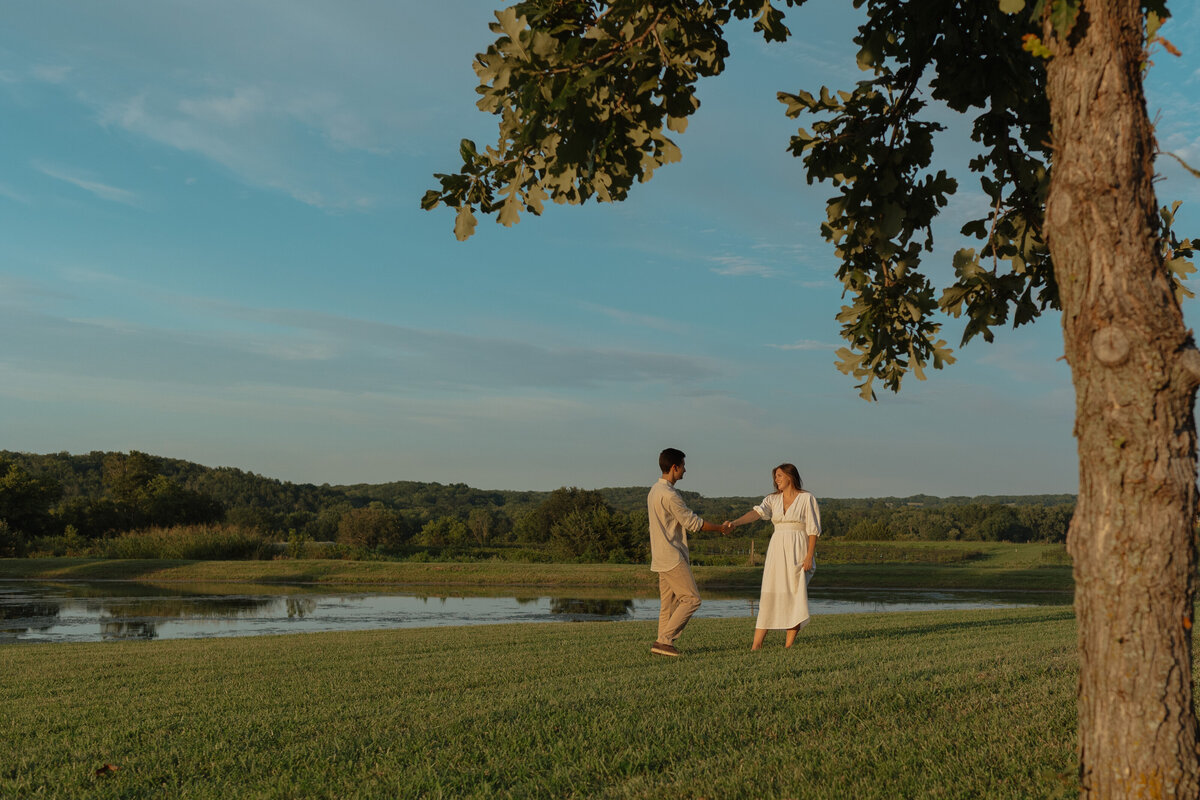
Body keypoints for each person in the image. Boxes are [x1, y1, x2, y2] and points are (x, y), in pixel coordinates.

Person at [727, 463, 821, 650]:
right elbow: (757, 513)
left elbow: (813, 530)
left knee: (795, 596)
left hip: (798, 550)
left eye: (779, 476)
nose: (776, 479)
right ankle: (756, 645)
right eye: (775, 476)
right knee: (769, 595)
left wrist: (809, 556)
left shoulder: (806, 498)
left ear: (790, 476)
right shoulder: (772, 500)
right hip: (777, 549)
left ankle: (788, 646)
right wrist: (734, 523)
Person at [647, 448, 729, 657]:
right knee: (692, 599)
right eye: (683, 465)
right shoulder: (669, 494)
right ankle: (665, 641)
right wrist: (720, 528)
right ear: (674, 467)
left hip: (660, 557)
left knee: (669, 605)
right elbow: (693, 523)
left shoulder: (654, 491)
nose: (685, 470)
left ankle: (661, 644)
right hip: (672, 557)